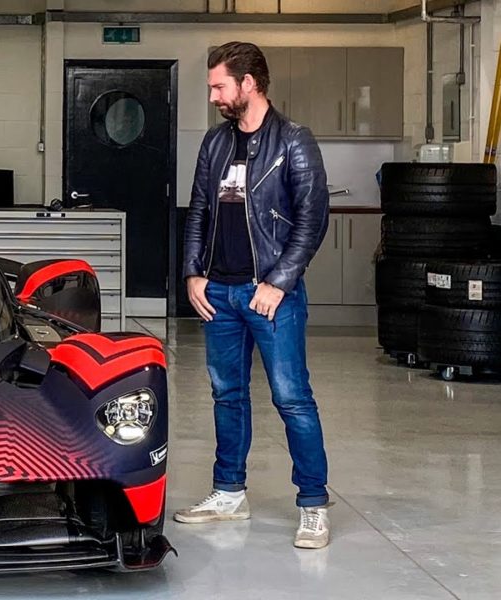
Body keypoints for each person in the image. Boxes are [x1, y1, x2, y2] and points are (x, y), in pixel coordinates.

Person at [176, 41, 331, 549]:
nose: (215, 95)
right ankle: (228, 492)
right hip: (218, 293)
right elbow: (199, 209)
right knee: (227, 394)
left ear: (249, 83)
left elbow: (311, 221)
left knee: (291, 398)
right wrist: (193, 274)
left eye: (220, 86)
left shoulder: (294, 141)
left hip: (270, 295)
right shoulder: (215, 144)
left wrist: (279, 282)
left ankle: (312, 503)